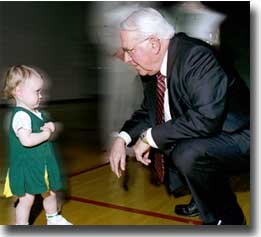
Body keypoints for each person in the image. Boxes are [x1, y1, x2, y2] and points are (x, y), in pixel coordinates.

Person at [109, 7, 250, 225]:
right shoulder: (151, 68)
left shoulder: (196, 56)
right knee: (185, 150)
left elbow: (205, 118)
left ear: (154, 44)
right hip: (214, 136)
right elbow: (149, 111)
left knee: (188, 152)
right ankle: (222, 217)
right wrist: (122, 138)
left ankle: (227, 220)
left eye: (129, 50)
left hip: (244, 135)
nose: (126, 58)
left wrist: (148, 137)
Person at [2, 65, 72, 225]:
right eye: (37, 92)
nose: (41, 96)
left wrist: (50, 126)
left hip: (41, 165)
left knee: (50, 194)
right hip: (28, 166)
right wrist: (47, 133)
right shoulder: (21, 115)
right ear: (18, 91)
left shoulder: (34, 112)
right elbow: (26, 140)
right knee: (26, 200)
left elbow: (41, 129)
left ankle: (53, 218)